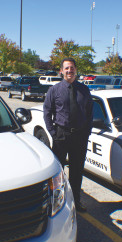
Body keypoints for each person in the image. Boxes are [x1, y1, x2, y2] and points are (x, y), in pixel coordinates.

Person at [43, 58, 93, 212]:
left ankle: (76, 201)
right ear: (61, 71)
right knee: (58, 172)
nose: (69, 71)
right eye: (66, 68)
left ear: (75, 70)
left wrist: (86, 133)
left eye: (72, 68)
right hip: (61, 136)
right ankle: (57, 202)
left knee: (77, 172)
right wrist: (53, 132)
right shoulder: (55, 90)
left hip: (79, 137)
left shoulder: (84, 90)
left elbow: (90, 113)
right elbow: (47, 112)